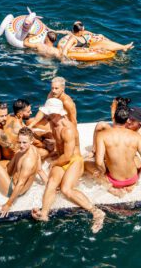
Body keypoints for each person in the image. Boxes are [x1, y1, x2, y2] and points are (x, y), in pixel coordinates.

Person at [31, 98, 105, 233]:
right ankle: (44, 213)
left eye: (49, 113)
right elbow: (40, 122)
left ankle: (96, 212)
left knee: (66, 189)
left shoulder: (68, 129)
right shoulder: (53, 122)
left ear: (57, 113)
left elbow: (67, 156)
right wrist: (30, 128)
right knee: (52, 182)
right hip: (61, 157)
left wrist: (53, 163)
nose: (47, 115)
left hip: (73, 160)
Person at [85, 105, 141, 196]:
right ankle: (133, 184)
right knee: (135, 158)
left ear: (114, 118)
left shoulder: (102, 135)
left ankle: (110, 188)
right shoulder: (136, 136)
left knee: (85, 164)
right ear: (127, 120)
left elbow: (99, 162)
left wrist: (104, 172)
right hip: (132, 179)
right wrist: (139, 173)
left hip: (115, 181)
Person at [0, 127, 44, 218]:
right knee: (13, 156)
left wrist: (8, 204)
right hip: (14, 179)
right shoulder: (34, 149)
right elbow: (39, 170)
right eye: (19, 142)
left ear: (31, 141)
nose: (21, 145)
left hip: (12, 189)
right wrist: (49, 184)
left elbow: (20, 184)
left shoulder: (28, 161)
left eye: (24, 143)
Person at [58, 21, 133, 55]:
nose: (84, 29)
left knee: (102, 40)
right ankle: (124, 47)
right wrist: (66, 61)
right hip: (84, 50)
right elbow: (64, 51)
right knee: (102, 45)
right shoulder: (73, 38)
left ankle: (123, 47)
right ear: (80, 30)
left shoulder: (82, 33)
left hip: (88, 46)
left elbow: (92, 34)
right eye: (83, 29)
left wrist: (97, 36)